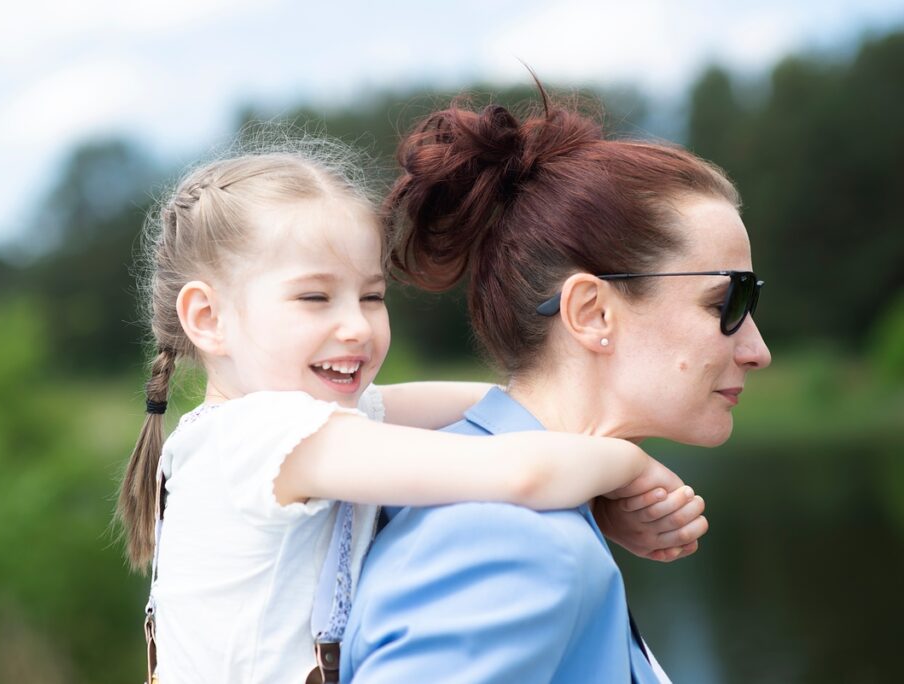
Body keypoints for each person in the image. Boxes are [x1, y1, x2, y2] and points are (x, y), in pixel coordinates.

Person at [115, 143, 707, 684]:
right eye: (314, 297)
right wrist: (624, 462)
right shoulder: (265, 438)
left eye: (372, 296)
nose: (356, 325)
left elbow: (499, 405)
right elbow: (513, 470)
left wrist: (589, 482)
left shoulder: (290, 428)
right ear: (207, 318)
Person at [341, 92, 772, 683]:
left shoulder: (522, 505)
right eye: (726, 303)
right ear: (592, 313)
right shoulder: (510, 540)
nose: (758, 351)